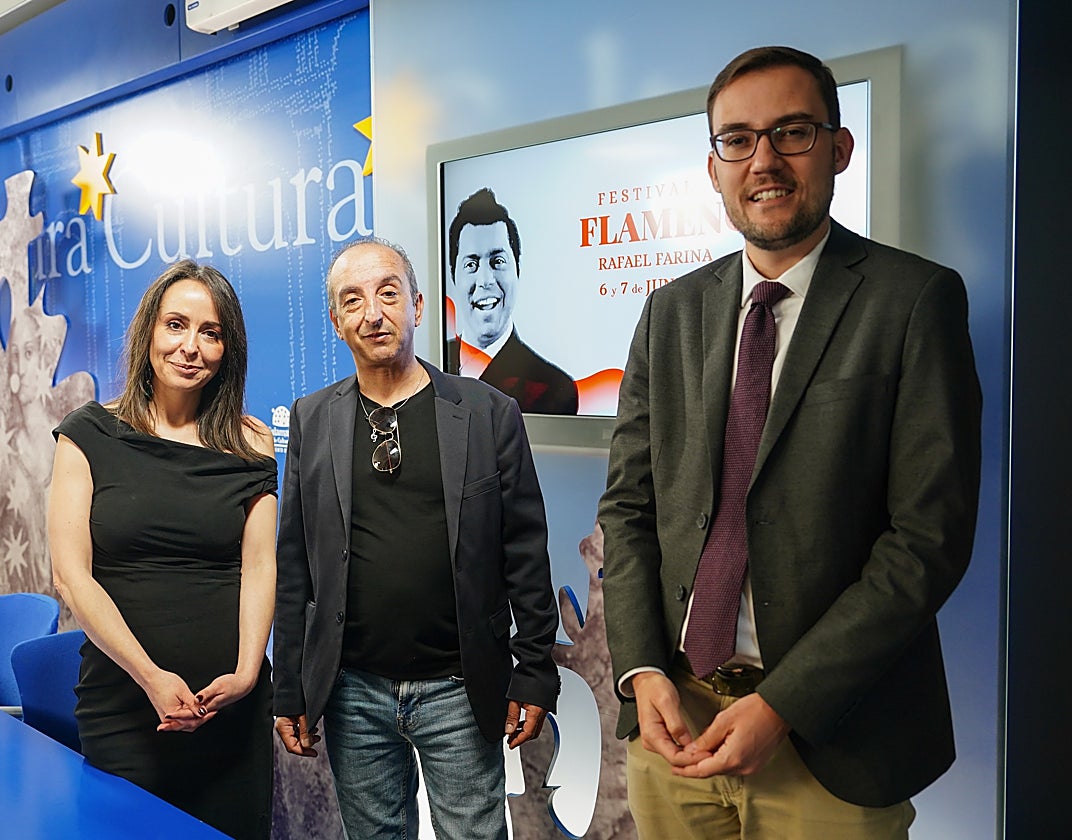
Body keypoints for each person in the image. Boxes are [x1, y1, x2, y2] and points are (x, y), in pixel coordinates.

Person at [597, 46, 981, 839]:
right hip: (675, 721)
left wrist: (784, 702)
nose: (763, 160)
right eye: (737, 140)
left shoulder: (914, 301)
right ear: (714, 168)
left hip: (833, 737)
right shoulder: (670, 313)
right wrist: (639, 671)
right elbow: (628, 507)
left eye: (792, 132)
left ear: (839, 148)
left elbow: (927, 540)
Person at [273, 237, 560, 840]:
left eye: (388, 293)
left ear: (419, 305)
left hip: (459, 687)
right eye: (353, 300)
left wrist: (535, 669)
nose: (373, 313)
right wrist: (290, 685)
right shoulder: (312, 419)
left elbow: (525, 554)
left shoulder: (487, 413)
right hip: (352, 691)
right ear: (336, 322)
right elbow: (295, 562)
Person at [48, 259, 278, 840]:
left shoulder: (251, 441)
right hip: (124, 707)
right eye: (176, 325)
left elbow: (259, 566)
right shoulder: (88, 432)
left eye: (211, 332)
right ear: (149, 331)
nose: (190, 347)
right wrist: (150, 677)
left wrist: (247, 674)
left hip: (231, 714)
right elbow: (71, 576)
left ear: (228, 348)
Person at [445, 187, 579, 415]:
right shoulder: (427, 371)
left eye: (497, 261)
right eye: (471, 264)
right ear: (453, 275)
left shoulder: (554, 388)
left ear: (517, 268)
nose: (485, 280)